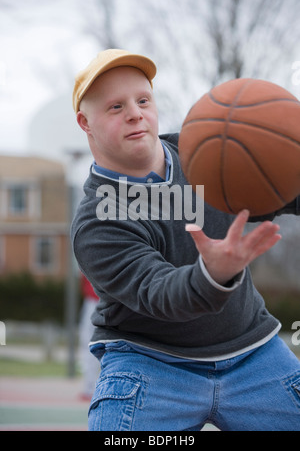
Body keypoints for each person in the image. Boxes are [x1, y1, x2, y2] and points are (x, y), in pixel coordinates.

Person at [71, 49, 300, 431]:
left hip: (252, 351)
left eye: (143, 100)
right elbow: (158, 293)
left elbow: (281, 184)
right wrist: (212, 274)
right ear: (85, 122)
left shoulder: (211, 151)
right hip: (149, 359)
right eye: (115, 107)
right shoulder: (97, 218)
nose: (135, 113)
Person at [78, 273, 100, 400]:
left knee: (89, 344)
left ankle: (90, 387)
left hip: (96, 300)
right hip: (102, 299)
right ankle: (90, 386)